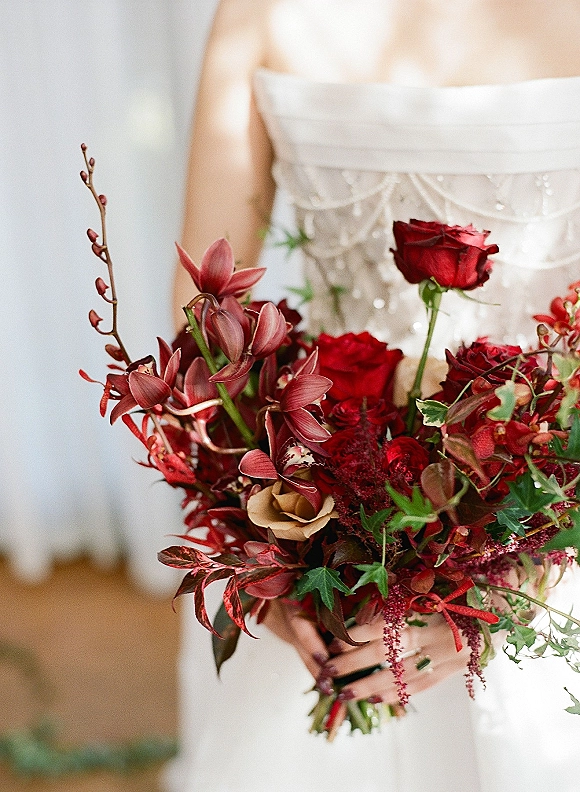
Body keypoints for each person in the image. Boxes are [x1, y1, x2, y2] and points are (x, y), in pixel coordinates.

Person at [166, 2, 580, 791]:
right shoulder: (253, 15)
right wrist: (275, 558)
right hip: (326, 514)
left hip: (549, 517)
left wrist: (509, 584)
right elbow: (205, 324)